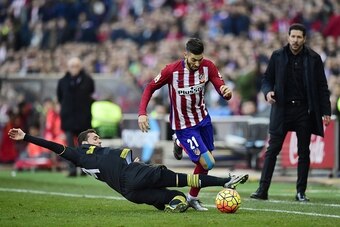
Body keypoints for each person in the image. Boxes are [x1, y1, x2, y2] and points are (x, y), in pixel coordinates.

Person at [8, 128, 249, 212]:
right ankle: (225, 181)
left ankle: (176, 204)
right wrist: (26, 136)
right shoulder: (77, 153)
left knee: (175, 198)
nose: (99, 140)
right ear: (84, 140)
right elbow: (52, 146)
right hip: (133, 174)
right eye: (95, 137)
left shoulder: (93, 154)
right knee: (183, 178)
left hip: (128, 192)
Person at [138, 38, 232, 211]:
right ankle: (179, 141)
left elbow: (221, 87)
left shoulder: (208, 66)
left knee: (203, 164)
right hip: (184, 126)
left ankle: (192, 198)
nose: (197, 63)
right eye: (193, 59)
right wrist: (142, 113)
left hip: (203, 120)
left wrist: (226, 92)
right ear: (185, 54)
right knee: (208, 163)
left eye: (200, 59)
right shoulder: (171, 70)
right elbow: (150, 88)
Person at [250, 23, 331, 202]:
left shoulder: (314, 58)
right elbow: (267, 79)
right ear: (288, 37)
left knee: (304, 152)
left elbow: (322, 86)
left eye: (299, 37)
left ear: (304, 39)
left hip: (304, 110)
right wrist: (268, 92)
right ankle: (262, 190)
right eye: (292, 36)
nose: (295, 40)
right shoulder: (277, 56)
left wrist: (326, 110)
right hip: (282, 109)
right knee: (272, 150)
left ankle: (300, 192)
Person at [57, 57, 95, 176]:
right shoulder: (62, 81)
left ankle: (84, 169)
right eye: (72, 66)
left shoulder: (88, 80)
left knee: (84, 144)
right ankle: (72, 169)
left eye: (77, 66)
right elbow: (60, 97)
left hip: (83, 118)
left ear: (81, 67)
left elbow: (91, 93)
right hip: (69, 118)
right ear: (68, 68)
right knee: (70, 146)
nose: (74, 68)